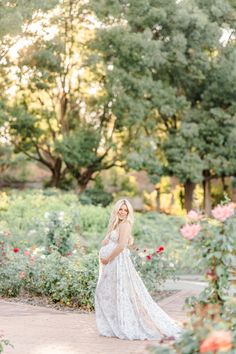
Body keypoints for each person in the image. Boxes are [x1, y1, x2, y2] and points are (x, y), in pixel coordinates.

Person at [95, 198, 183, 341]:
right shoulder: (117, 224)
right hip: (110, 265)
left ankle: (124, 324)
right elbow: (107, 241)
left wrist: (107, 258)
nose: (123, 212)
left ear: (129, 212)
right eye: (121, 209)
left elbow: (121, 245)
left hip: (117, 262)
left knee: (118, 292)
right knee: (108, 292)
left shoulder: (126, 224)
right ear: (116, 210)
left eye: (126, 210)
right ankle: (113, 325)